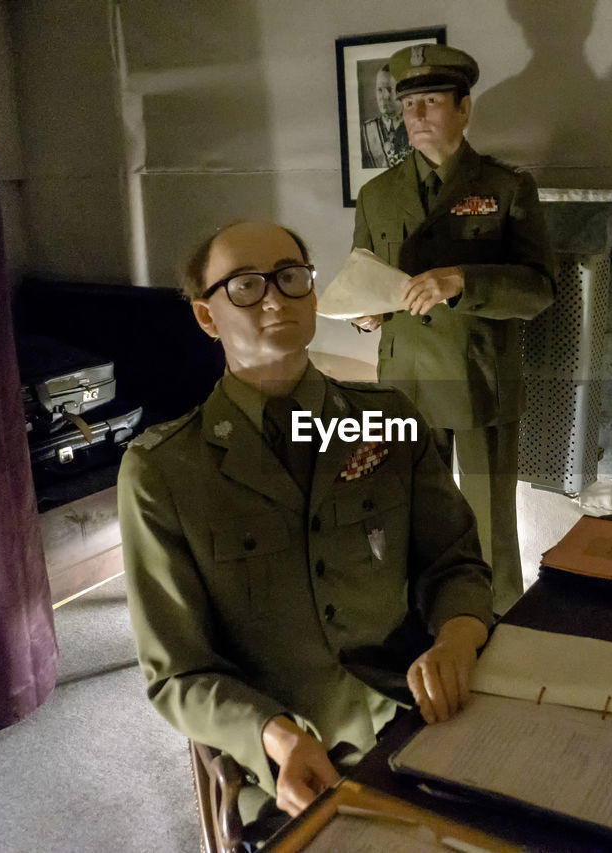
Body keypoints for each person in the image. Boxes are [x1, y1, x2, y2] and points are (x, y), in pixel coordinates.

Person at [117, 220, 492, 824]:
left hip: (424, 719)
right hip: (291, 766)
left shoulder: (385, 421)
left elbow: (454, 562)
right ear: (207, 318)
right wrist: (276, 737)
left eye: (291, 278)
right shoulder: (165, 472)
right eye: (244, 285)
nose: (274, 297)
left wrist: (456, 637)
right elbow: (179, 673)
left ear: (313, 296)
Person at [351, 43, 554, 615]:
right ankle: (426, 619)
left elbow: (539, 289)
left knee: (489, 518)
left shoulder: (507, 188)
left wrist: (462, 279)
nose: (415, 116)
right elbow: (364, 276)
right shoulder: (377, 195)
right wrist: (367, 315)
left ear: (465, 109)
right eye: (407, 104)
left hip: (478, 377)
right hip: (405, 384)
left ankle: (501, 622)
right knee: (411, 512)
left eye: (432, 102)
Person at [359, 63, 408, 168]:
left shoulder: (417, 126)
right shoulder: (366, 131)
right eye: (379, 90)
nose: (384, 96)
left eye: (390, 89)